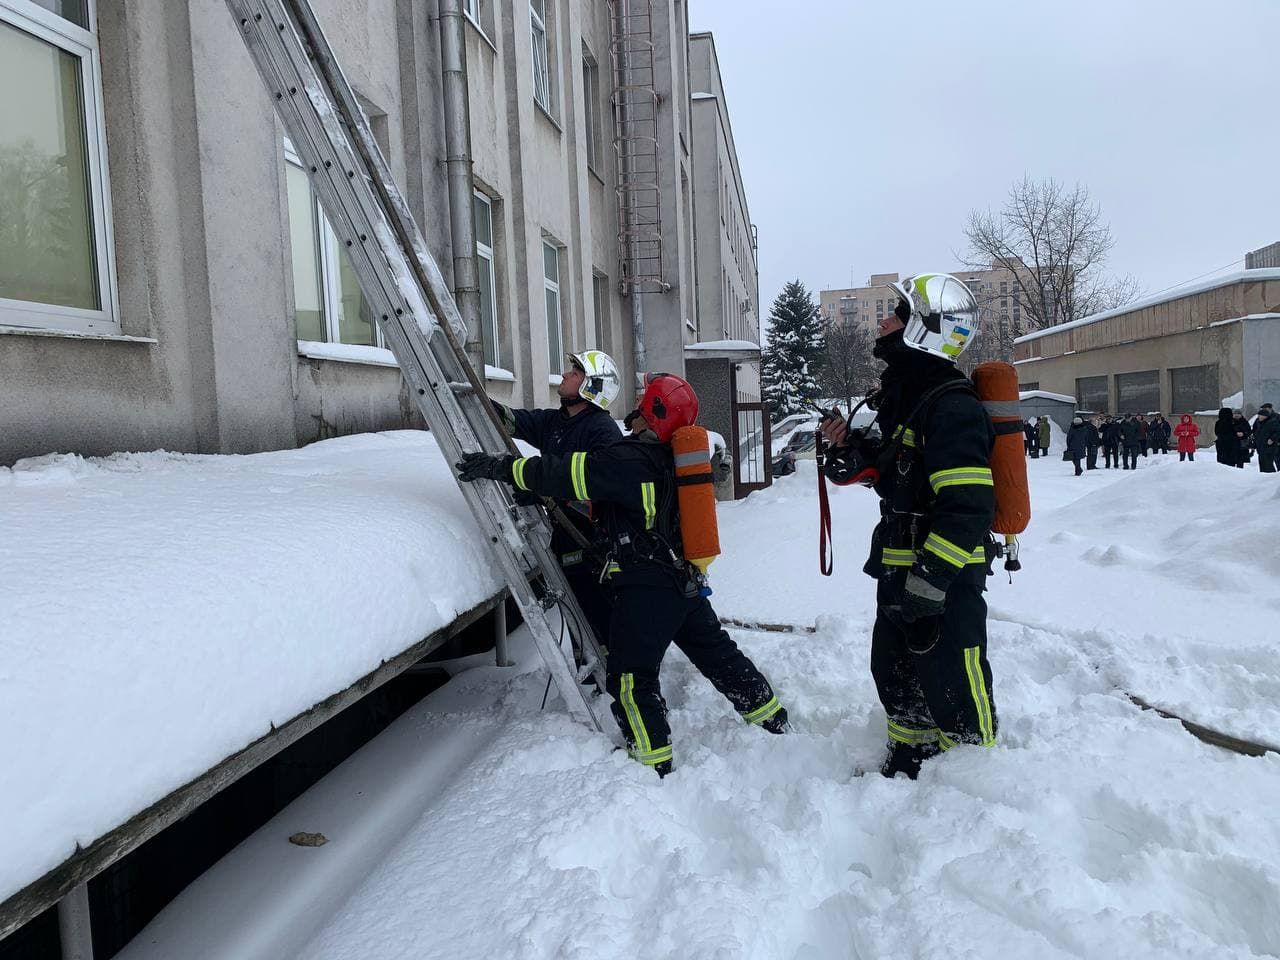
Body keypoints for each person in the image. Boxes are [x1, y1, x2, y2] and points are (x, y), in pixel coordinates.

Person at [458, 373, 788, 776]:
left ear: (651, 411)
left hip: (647, 588)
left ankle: (651, 765)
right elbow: (602, 497)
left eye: (642, 401)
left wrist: (500, 467)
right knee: (720, 657)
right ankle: (773, 720)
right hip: (683, 581)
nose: (634, 408)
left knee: (631, 677)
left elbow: (566, 473)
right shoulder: (670, 459)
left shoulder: (628, 460)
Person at [819, 273, 997, 780]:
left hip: (943, 575)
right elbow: (898, 475)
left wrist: (934, 578)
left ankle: (977, 779)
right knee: (894, 671)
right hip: (901, 566)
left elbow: (967, 506)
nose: (882, 320)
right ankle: (910, 758)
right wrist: (852, 452)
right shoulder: (909, 396)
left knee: (953, 680)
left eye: (895, 313)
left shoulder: (952, 406)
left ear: (926, 329)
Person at [493, 350, 623, 642]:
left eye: (575, 373)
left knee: (599, 623)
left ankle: (610, 682)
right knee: (579, 625)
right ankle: (591, 681)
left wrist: (543, 494)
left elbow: (596, 494)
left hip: (595, 547)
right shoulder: (557, 422)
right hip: (567, 539)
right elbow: (515, 421)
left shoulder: (602, 433)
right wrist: (481, 403)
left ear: (592, 387)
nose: (564, 375)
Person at [1254, 404, 1280, 473]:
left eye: (1266, 409)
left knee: (1274, 461)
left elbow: (1277, 431)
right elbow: (1255, 430)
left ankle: (1275, 477)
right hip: (1262, 445)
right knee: (1264, 463)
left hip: (1274, 444)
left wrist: (1273, 439)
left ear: (1270, 409)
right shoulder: (1258, 421)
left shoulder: (1276, 417)